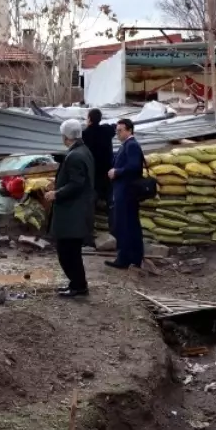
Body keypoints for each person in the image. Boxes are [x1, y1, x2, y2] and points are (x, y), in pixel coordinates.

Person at [45, 119, 96, 298]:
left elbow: (76, 184)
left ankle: (79, 287)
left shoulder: (75, 156)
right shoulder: (83, 151)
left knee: (68, 253)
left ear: (66, 137)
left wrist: (56, 193)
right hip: (78, 210)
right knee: (71, 252)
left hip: (72, 212)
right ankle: (77, 284)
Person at [107, 118, 145, 269]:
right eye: (116, 131)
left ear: (129, 130)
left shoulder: (132, 145)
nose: (117, 133)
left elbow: (134, 167)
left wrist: (117, 171)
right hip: (125, 191)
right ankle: (133, 257)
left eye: (120, 130)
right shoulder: (126, 145)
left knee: (125, 225)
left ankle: (125, 258)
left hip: (127, 191)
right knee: (129, 224)